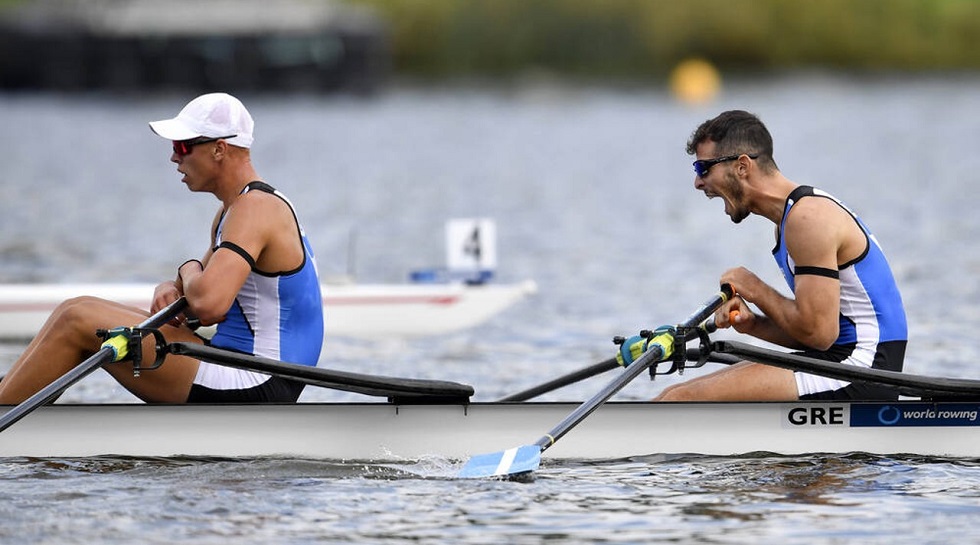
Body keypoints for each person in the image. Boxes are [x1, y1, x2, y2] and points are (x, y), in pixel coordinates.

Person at [0, 92, 324, 404]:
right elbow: (194, 302)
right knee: (74, 308)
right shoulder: (237, 209)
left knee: (77, 320)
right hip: (238, 363)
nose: (174, 157)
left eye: (182, 146)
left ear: (219, 149)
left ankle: (12, 415)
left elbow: (209, 304)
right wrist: (171, 286)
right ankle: (14, 403)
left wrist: (186, 268)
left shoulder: (256, 209)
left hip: (256, 377)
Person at [620, 110, 907, 401]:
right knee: (675, 392)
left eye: (703, 168)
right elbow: (823, 334)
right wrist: (753, 324)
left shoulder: (808, 219)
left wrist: (753, 287)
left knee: (679, 400)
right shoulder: (790, 221)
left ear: (742, 166)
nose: (697, 182)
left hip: (864, 368)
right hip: (844, 360)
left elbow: (819, 334)